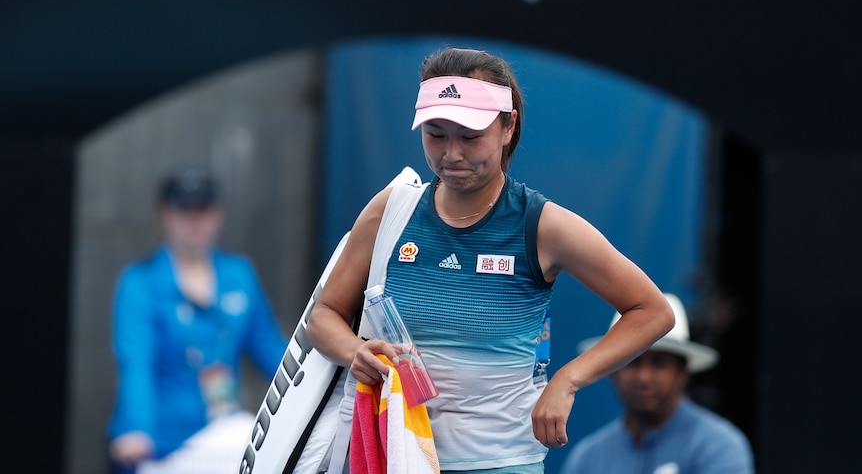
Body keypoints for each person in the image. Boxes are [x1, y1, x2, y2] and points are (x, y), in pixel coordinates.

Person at [306, 46, 675, 473]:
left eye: (469, 135)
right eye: (436, 133)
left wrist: (567, 381)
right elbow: (324, 316)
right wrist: (355, 351)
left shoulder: (542, 225)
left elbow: (651, 311)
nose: (451, 154)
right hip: (393, 458)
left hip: (500, 462)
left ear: (507, 127)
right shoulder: (390, 210)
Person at [107, 164, 288, 474]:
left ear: (218, 214)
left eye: (203, 209)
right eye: (183, 210)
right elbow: (135, 363)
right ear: (164, 214)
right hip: (162, 445)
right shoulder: (140, 282)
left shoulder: (238, 275)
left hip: (222, 434)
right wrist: (137, 430)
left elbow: (276, 355)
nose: (194, 220)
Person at [560, 293, 755, 474]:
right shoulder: (587, 458)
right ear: (612, 371)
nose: (644, 377)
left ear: (682, 373)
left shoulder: (718, 445)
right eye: (632, 361)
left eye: (659, 363)